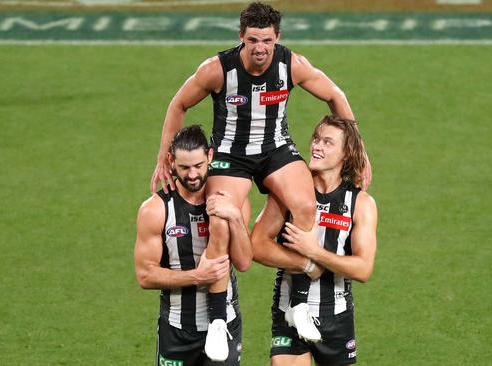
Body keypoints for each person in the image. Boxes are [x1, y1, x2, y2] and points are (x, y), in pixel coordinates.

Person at [150, 2, 371, 359]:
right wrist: (164, 154)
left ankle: (299, 303)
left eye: (266, 40)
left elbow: (335, 95)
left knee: (304, 204)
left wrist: (359, 150)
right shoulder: (217, 69)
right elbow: (178, 104)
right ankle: (219, 319)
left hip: (275, 150)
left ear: (277, 38)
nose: (259, 48)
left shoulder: (291, 64)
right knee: (219, 217)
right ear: (241, 37)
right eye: (252, 40)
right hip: (230, 154)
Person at [251, 115, 378, 366]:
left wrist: (314, 252)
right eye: (317, 139)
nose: (317, 146)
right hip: (289, 312)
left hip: (336, 315)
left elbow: (363, 269)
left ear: (346, 154)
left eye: (328, 143)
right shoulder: (289, 191)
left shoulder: (361, 204)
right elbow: (256, 245)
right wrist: (306, 264)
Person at [135, 125, 253, 364]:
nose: (192, 175)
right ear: (170, 161)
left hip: (226, 324)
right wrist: (198, 276)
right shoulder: (155, 209)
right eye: (184, 167)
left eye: (198, 166)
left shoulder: (231, 200)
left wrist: (236, 217)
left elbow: (243, 261)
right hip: (177, 328)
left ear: (210, 156)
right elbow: (145, 276)